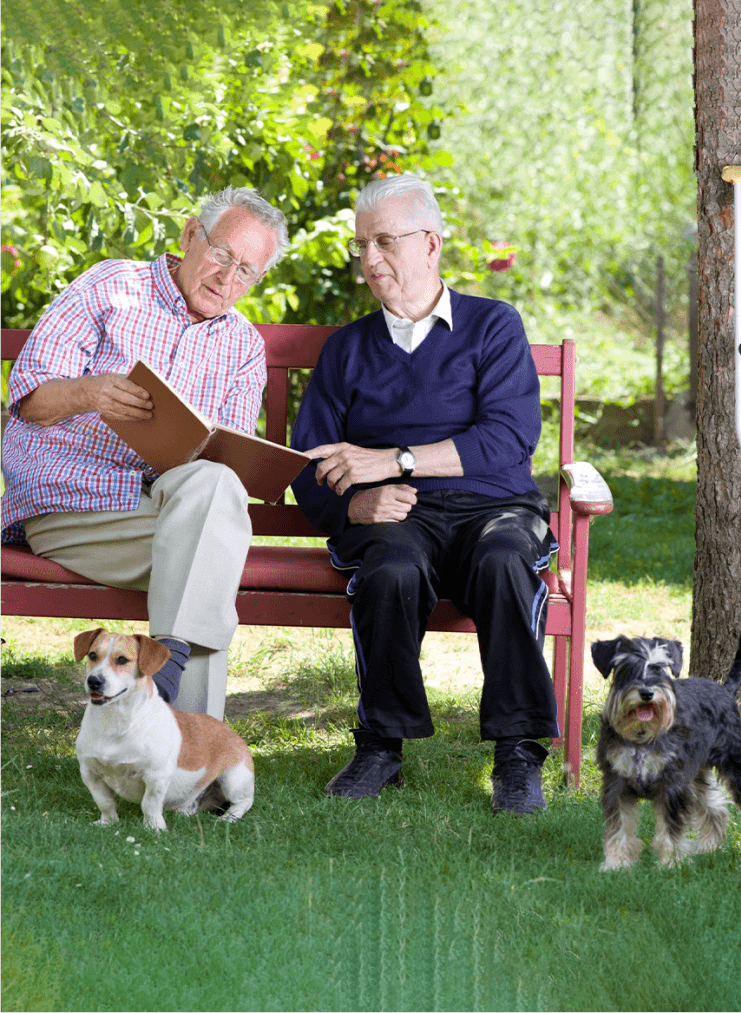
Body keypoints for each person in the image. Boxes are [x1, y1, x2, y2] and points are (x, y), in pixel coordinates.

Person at [290, 174, 559, 814]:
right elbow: (307, 465)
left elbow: (508, 438)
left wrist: (396, 460)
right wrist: (354, 505)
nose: (370, 258)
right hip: (395, 516)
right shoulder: (347, 349)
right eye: (362, 245)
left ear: (431, 243)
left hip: (494, 508)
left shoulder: (492, 325)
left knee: (505, 562)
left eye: (385, 241)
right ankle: (380, 746)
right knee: (390, 569)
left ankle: (518, 754)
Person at [2, 186, 288, 718]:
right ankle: (191, 739)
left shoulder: (243, 347)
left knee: (212, 502)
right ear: (191, 235)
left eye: (247, 271)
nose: (228, 278)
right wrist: (89, 392)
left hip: (165, 515)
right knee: (209, 558)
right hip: (73, 507)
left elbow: (224, 468)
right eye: (223, 254)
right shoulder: (110, 286)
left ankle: (169, 672)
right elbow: (30, 400)